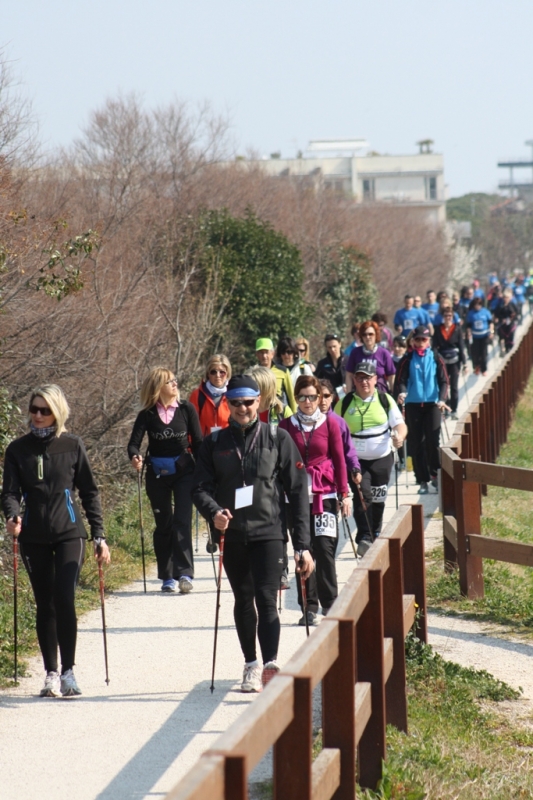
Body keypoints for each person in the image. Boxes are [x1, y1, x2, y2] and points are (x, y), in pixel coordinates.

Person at [191, 375, 314, 692]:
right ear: (227, 404)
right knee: (244, 600)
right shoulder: (214, 443)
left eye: (248, 402)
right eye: (235, 403)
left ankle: (270, 663)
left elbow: (298, 492)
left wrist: (302, 545)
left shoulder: (277, 438)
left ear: (258, 401)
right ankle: (251, 665)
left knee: (266, 598)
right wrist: (214, 513)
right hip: (233, 535)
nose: (242, 408)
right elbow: (199, 488)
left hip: (269, 533)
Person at [2, 385, 110, 698]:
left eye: (45, 410)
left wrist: (99, 535)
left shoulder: (72, 445)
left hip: (69, 533)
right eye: (34, 409)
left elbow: (89, 492)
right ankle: (50, 673)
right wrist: (12, 516)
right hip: (33, 535)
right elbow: (9, 492)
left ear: (57, 412)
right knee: (45, 603)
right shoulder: (17, 449)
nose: (38, 415)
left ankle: (68, 672)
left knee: (64, 597)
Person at [279, 376, 350, 626]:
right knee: (303, 550)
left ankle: (330, 604)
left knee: (325, 549)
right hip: (295, 498)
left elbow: (339, 459)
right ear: (296, 398)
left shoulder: (329, 423)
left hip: (325, 494)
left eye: (312, 397)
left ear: (320, 398)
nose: (307, 402)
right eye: (302, 397)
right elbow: (279, 462)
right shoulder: (286, 426)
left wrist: (344, 493)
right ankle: (308, 607)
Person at [128, 367, 202, 593]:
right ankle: (167, 576)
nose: (174, 384)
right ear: (158, 387)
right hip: (157, 472)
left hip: (184, 471)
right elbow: (133, 444)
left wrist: (206, 470)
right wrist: (135, 457)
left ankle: (185, 574)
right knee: (164, 524)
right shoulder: (147, 414)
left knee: (182, 521)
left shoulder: (186, 409)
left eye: (174, 380)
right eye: (169, 381)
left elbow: (198, 442)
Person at [336, 362, 406, 555]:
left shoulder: (385, 399)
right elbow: (333, 426)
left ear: (375, 379)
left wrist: (399, 437)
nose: (364, 382)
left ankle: (375, 531)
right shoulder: (345, 402)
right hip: (356, 460)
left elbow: (400, 425)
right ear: (354, 380)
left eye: (368, 378)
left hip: (382, 458)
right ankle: (365, 537)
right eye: (360, 378)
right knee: (362, 495)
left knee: (378, 497)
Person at [394, 326, 448, 495]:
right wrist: (402, 392)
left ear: (428, 340)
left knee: (433, 442)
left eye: (423, 339)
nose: (420, 342)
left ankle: (435, 474)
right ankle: (422, 480)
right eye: (417, 339)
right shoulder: (407, 359)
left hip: (433, 405)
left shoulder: (436, 357)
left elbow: (444, 381)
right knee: (416, 443)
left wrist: (442, 399)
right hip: (413, 405)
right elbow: (400, 380)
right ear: (413, 341)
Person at [317, 378, 361, 480]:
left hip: (335, 476)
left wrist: (355, 468)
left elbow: (349, 449)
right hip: (314, 476)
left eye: (326, 396)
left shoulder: (340, 422)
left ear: (332, 397)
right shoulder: (306, 422)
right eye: (319, 396)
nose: (323, 401)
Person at [433, 307, 467, 420]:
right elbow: (434, 346)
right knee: (444, 385)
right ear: (443, 317)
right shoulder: (438, 329)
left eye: (450, 316)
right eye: (446, 316)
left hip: (455, 361)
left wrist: (465, 363)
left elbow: (461, 346)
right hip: (442, 361)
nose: (448, 318)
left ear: (452, 317)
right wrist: (435, 359)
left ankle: (454, 410)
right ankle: (446, 408)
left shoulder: (457, 328)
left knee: (454, 386)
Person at [345, 320, 396, 394]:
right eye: (364, 334)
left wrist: (393, 394)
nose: (367, 337)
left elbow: (391, 376)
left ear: (376, 335)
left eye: (370, 334)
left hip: (380, 394)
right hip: (360, 394)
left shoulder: (384, 353)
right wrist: (348, 394)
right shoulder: (355, 352)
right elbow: (349, 375)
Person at [189, 354, 232, 436]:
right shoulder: (197, 395)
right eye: (213, 372)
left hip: (228, 442)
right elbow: (190, 425)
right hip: (204, 442)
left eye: (222, 372)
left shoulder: (232, 395)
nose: (218, 375)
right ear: (208, 374)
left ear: (227, 373)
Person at [255, 337, 297, 412]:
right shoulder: (253, 373)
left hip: (278, 412)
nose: (264, 356)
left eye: (266, 352)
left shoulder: (283, 371)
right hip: (259, 413)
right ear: (257, 354)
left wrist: (295, 415)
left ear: (272, 353)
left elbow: (291, 397)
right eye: (261, 352)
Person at [466, 297, 493, 375]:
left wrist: (491, 331)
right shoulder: (471, 313)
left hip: (484, 335)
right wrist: (469, 333)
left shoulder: (485, 312)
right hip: (475, 336)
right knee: (475, 353)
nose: (477, 306)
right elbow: (468, 325)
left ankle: (484, 369)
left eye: (479, 304)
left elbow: (490, 323)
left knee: (484, 353)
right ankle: (476, 367)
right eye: (476, 304)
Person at [494, 289, 518, 353]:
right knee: (503, 338)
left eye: (507, 297)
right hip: (503, 324)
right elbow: (497, 314)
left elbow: (516, 312)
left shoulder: (512, 305)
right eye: (504, 297)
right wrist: (501, 319)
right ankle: (505, 350)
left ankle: (511, 349)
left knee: (510, 338)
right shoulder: (500, 305)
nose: (505, 299)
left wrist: (512, 317)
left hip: (511, 324)